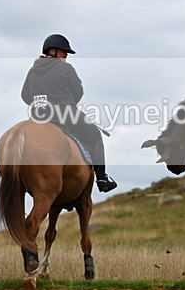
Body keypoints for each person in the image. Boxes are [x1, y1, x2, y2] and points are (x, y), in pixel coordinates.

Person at [21, 34, 117, 193]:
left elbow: (25, 95)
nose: (66, 56)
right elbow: (78, 92)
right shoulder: (65, 68)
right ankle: (102, 178)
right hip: (65, 114)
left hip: (39, 117)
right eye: (64, 52)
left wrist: (40, 104)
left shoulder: (33, 71)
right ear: (53, 51)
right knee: (94, 135)